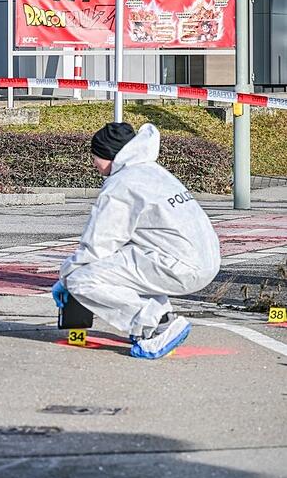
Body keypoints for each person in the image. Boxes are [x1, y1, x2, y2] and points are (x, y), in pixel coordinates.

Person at [51, 122, 220, 359]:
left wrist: (67, 276)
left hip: (180, 266)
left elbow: (98, 244)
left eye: (96, 157)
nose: (93, 163)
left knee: (82, 280)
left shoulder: (121, 185)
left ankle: (158, 324)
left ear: (110, 155)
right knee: (124, 262)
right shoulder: (153, 171)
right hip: (203, 260)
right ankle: (161, 316)